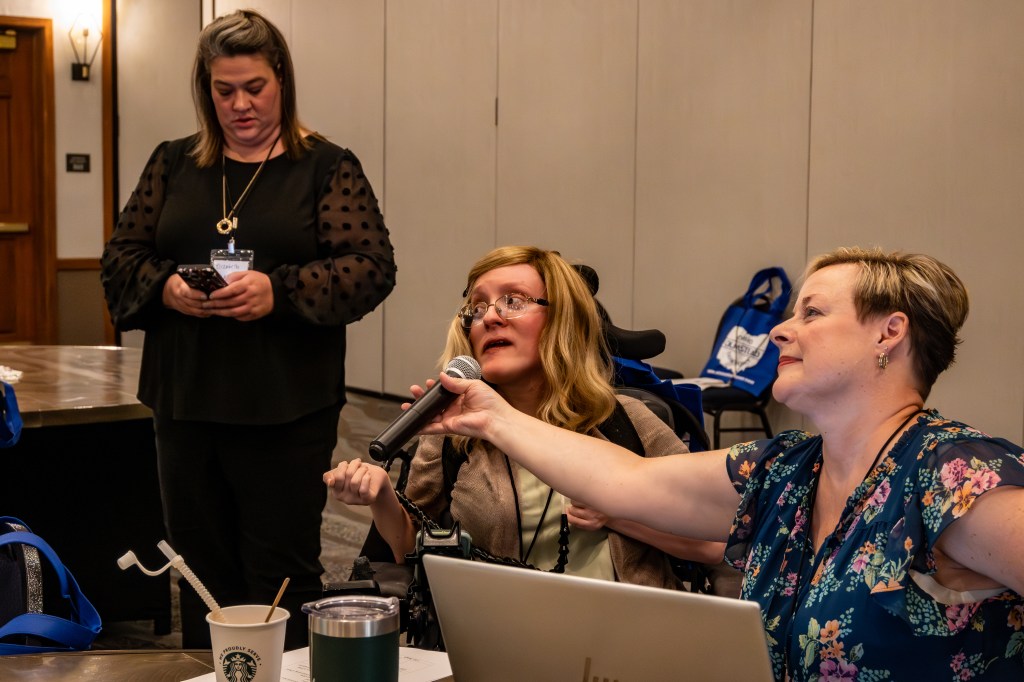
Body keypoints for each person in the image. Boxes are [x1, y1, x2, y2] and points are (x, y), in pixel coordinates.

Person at [416, 247, 1024, 681]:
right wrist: (491, 416)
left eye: (811, 313)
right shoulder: (784, 471)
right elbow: (628, 480)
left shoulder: (957, 476)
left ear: (888, 333)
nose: (781, 331)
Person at [100, 9, 396, 649]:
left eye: (254, 88)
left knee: (278, 577)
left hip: (285, 409)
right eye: (223, 90)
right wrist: (169, 288)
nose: (239, 105)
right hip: (186, 402)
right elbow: (121, 258)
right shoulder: (174, 163)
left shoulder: (325, 167)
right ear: (206, 90)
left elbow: (370, 268)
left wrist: (278, 291)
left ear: (282, 80)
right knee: (204, 575)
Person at [325, 246, 723, 589]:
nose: (490, 317)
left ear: (561, 321)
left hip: (629, 648)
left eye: (513, 301)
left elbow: (719, 545)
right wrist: (382, 500)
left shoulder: (625, 420)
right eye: (477, 307)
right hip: (502, 637)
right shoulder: (453, 433)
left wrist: (621, 516)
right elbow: (411, 549)